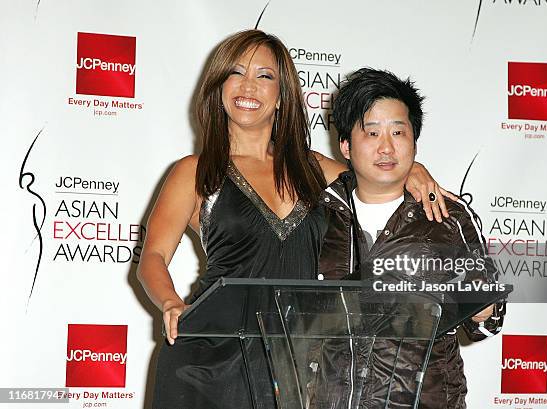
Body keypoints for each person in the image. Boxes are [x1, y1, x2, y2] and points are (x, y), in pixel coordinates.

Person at [137, 30, 453, 409]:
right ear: (218, 87)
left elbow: (377, 176)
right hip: (209, 359)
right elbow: (152, 257)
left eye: (265, 76)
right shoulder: (195, 171)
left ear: (282, 95)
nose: (248, 86)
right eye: (236, 73)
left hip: (298, 364)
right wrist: (171, 303)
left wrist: (412, 168)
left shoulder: (315, 169)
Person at [318, 68, 506, 408]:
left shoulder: (447, 217)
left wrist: (480, 303)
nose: (386, 147)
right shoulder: (319, 216)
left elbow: (487, 320)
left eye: (398, 132)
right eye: (371, 133)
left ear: (415, 141)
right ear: (345, 145)